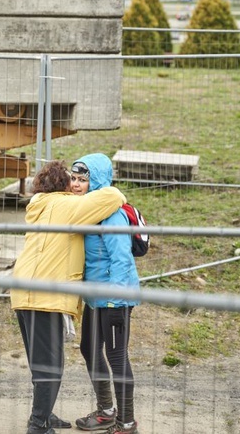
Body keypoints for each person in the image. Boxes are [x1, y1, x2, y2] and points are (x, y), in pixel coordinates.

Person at [11, 160, 127, 434]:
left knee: (39, 363)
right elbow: (114, 196)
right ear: (63, 185)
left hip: (23, 291)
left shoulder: (40, 205)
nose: (76, 184)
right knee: (51, 366)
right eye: (71, 180)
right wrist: (93, 184)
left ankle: (44, 413)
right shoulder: (65, 206)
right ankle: (38, 425)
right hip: (45, 296)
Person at [70, 154, 140, 434]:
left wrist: (114, 296)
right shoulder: (88, 210)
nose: (75, 184)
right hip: (95, 296)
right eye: (73, 178)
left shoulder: (112, 214)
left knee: (117, 356)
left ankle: (127, 422)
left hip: (115, 296)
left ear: (95, 181)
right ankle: (106, 412)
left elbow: (122, 258)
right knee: (89, 349)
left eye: (82, 180)